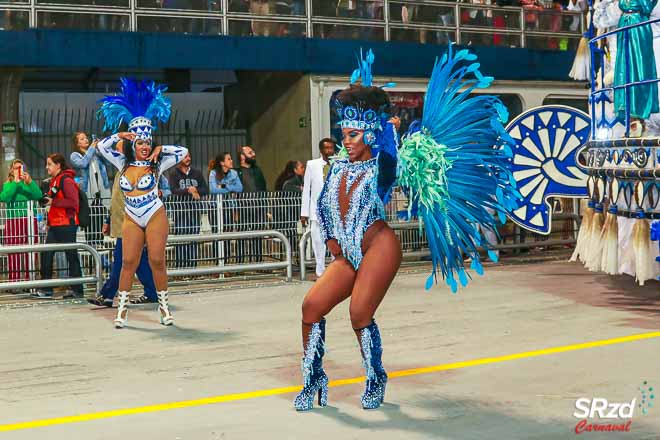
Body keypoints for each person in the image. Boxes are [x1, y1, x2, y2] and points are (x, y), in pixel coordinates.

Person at [293, 47, 519, 411]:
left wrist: (388, 131)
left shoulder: (383, 166)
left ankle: (375, 377)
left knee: (359, 313)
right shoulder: (335, 167)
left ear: (369, 134)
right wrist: (334, 243)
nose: (345, 141)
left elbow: (391, 157)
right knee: (310, 307)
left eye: (353, 135)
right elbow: (324, 205)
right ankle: (313, 378)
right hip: (347, 253)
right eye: (343, 134)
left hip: (379, 245)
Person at [96, 77, 188, 328]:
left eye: (148, 142)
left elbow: (183, 152)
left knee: (157, 260)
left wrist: (162, 149)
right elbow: (102, 148)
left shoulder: (158, 163)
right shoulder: (122, 162)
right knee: (127, 262)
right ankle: (122, 312)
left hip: (155, 214)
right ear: (132, 144)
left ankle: (164, 309)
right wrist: (119, 134)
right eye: (140, 143)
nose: (145, 147)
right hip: (132, 216)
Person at [86, 173, 168, 307]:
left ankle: (106, 295)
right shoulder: (121, 171)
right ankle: (153, 292)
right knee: (140, 262)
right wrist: (109, 220)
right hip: (122, 224)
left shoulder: (137, 171)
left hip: (131, 225)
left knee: (121, 261)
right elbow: (116, 201)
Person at [33, 154, 84, 299]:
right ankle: (47, 289)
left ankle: (77, 290)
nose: (46, 167)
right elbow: (53, 198)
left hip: (66, 224)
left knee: (71, 256)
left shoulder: (66, 180)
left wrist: (52, 202)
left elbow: (74, 203)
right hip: (55, 223)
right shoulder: (56, 180)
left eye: (49, 164)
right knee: (47, 255)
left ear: (58, 165)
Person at [0, 159, 42, 284]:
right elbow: (5, 197)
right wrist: (16, 183)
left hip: (29, 220)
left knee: (30, 251)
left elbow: (38, 195)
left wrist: (30, 182)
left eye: (20, 167)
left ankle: (31, 281)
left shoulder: (28, 183)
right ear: (11, 170)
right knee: (14, 252)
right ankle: (15, 281)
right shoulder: (8, 184)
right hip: (13, 221)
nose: (18, 170)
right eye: (16, 168)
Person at [69, 131, 112, 248]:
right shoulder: (75, 155)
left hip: (101, 190)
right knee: (90, 222)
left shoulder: (95, 153)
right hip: (87, 192)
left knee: (100, 219)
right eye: (82, 139)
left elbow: (108, 163)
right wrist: (92, 148)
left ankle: (99, 246)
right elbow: (83, 163)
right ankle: (91, 248)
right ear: (77, 143)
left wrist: (100, 149)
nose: (86, 140)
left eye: (86, 137)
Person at [301, 139, 335, 278]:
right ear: (321, 150)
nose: (329, 151)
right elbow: (306, 190)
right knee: (318, 242)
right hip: (317, 211)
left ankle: (335, 271)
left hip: (334, 211)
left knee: (335, 241)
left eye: (331, 148)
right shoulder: (312, 164)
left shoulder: (339, 163)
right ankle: (320, 272)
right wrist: (304, 213)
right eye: (326, 148)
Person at [169, 152, 209, 269]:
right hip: (180, 212)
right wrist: (188, 190)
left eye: (189, 156)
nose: (188, 159)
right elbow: (174, 190)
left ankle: (192, 266)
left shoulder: (197, 173)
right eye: (185, 157)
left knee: (193, 239)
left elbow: (205, 189)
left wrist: (195, 190)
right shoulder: (174, 174)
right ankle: (182, 266)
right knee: (181, 239)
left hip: (194, 210)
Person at [208, 152, 243, 264]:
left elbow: (239, 188)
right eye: (229, 159)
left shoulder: (234, 173)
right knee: (216, 236)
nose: (232, 161)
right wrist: (229, 188)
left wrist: (224, 186)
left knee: (227, 235)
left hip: (229, 208)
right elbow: (213, 189)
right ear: (222, 162)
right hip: (214, 208)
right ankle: (217, 263)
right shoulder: (213, 173)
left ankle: (226, 263)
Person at [237, 145, 267, 263]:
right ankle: (240, 263)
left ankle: (258, 262)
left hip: (258, 208)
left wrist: (265, 208)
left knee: (257, 236)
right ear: (242, 156)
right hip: (243, 209)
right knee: (242, 236)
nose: (253, 154)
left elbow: (263, 188)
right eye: (250, 152)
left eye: (253, 152)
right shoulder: (236, 172)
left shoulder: (258, 170)